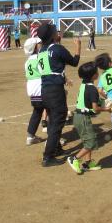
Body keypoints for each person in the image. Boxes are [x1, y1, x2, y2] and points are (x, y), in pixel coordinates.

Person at [37, 23, 81, 167]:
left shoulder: (41, 50)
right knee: (58, 121)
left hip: (45, 89)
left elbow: (53, 62)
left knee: (52, 119)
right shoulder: (57, 48)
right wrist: (78, 47)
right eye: (56, 31)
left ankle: (56, 147)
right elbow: (74, 62)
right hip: (55, 90)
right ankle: (48, 157)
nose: (58, 32)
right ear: (51, 35)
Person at [67, 62, 109, 174]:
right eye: (96, 71)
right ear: (93, 75)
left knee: (87, 140)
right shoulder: (93, 89)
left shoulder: (84, 85)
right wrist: (107, 109)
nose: (98, 72)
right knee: (91, 142)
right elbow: (95, 109)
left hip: (79, 116)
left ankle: (88, 163)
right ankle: (74, 159)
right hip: (83, 118)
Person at [23, 37, 48, 145]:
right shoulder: (39, 58)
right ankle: (53, 139)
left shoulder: (27, 61)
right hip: (41, 87)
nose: (41, 44)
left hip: (32, 90)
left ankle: (30, 137)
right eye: (39, 43)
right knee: (52, 111)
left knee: (37, 112)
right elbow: (45, 72)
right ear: (35, 47)